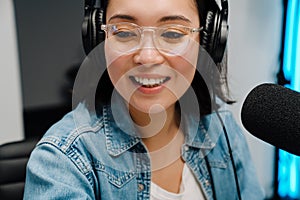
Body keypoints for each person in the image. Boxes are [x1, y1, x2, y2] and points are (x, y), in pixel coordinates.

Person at [24, 0, 265, 199]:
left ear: (209, 41)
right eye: (125, 32)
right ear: (99, 38)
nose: (147, 57)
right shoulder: (61, 161)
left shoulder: (220, 126)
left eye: (172, 33)